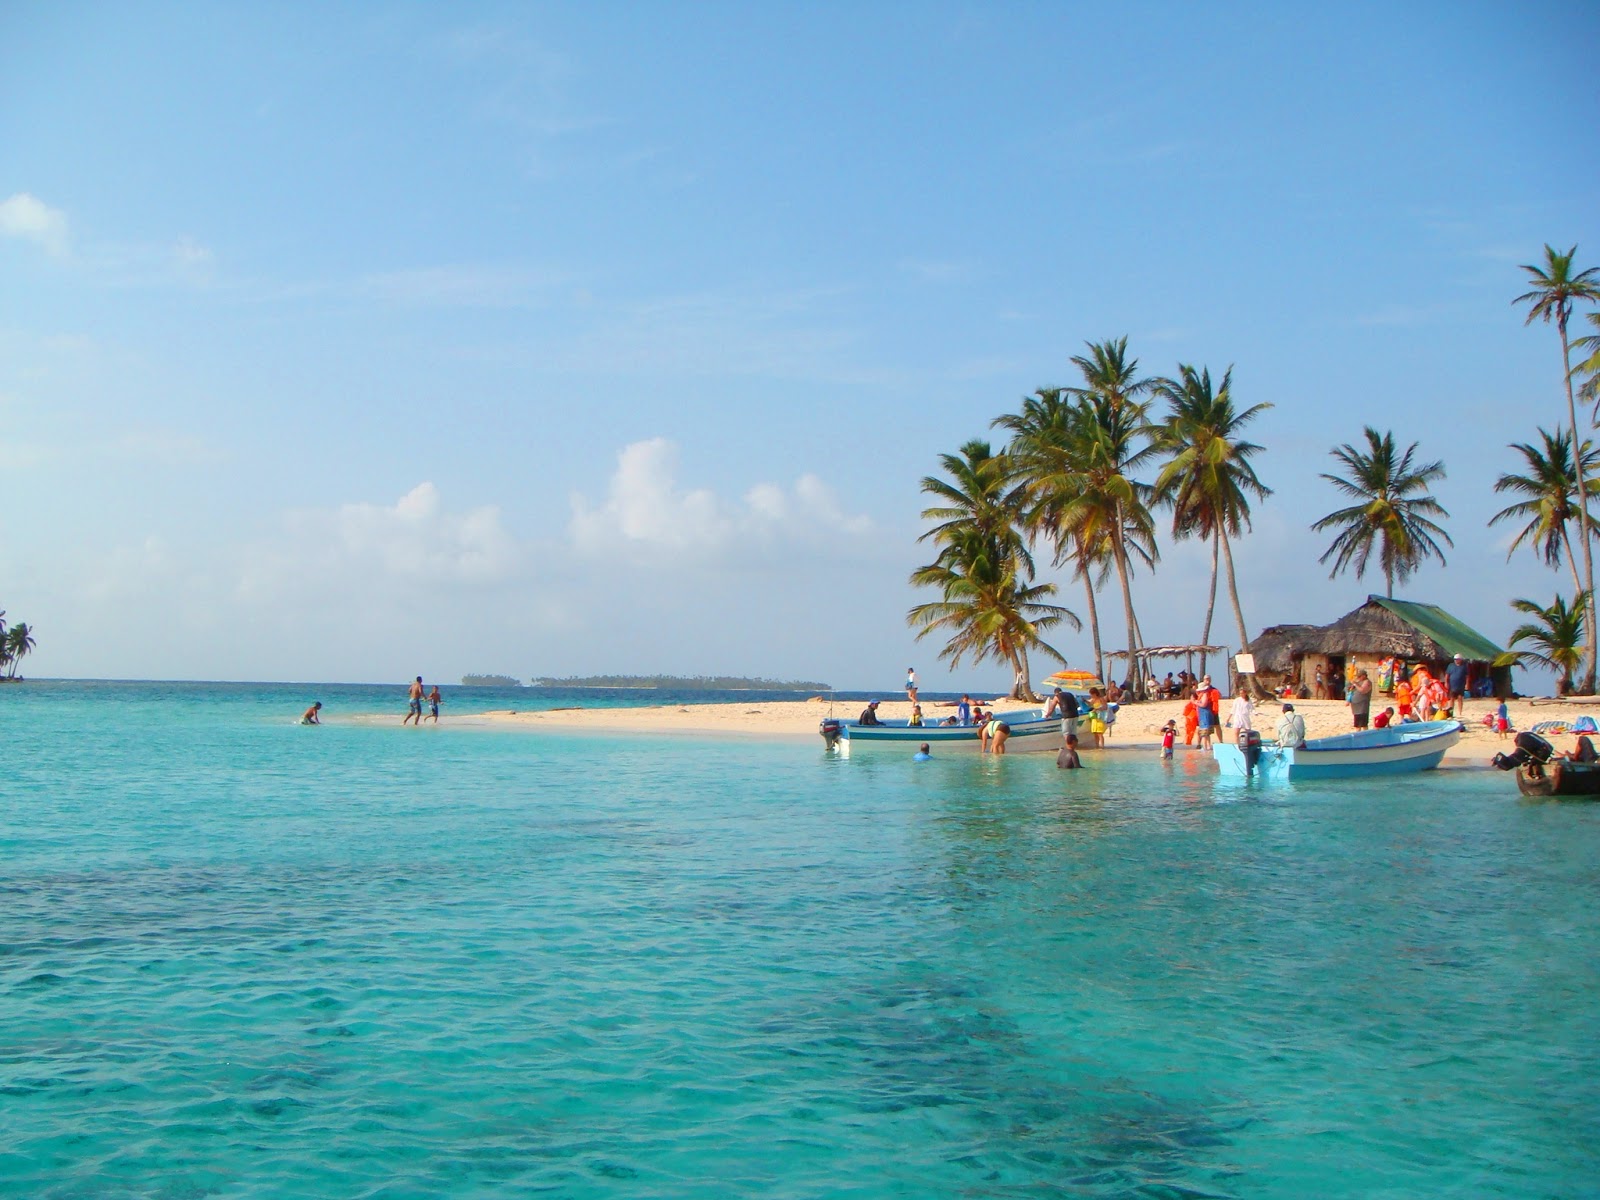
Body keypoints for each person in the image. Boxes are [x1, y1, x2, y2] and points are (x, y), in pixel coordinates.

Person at [1193, 675, 1220, 749]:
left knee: (1205, 732)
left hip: (1206, 714)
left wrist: (1195, 702)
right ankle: (1206, 746)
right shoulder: (1202, 694)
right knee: (1204, 732)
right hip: (1203, 715)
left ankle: (1205, 747)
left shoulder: (1205, 694)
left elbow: (1204, 704)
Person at [1446, 653, 1469, 718]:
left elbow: (1467, 676)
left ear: (1460, 660)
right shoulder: (1451, 666)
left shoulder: (1464, 667)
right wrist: (1446, 683)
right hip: (1452, 685)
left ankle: (1460, 712)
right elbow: (1447, 675)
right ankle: (1451, 712)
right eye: (1455, 659)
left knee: (1460, 699)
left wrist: (1467, 684)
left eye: (1457, 659)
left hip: (1461, 685)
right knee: (1452, 699)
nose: (1456, 660)